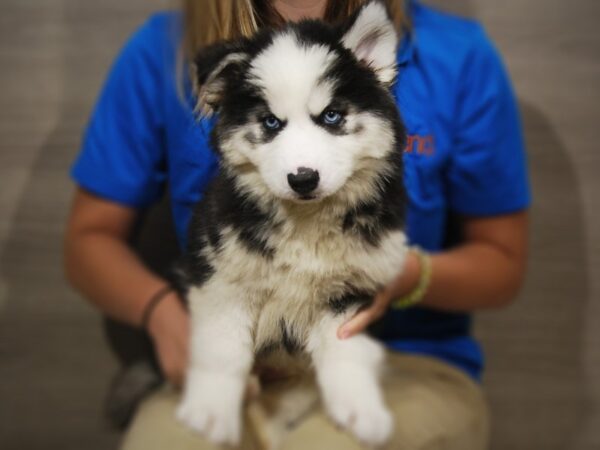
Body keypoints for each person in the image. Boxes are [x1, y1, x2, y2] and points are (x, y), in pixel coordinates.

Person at [64, 0, 530, 449]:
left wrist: (401, 275)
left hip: (405, 360)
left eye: (331, 116)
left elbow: (503, 265)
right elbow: (89, 240)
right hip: (233, 350)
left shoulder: (455, 54)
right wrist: (166, 317)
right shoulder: (165, 48)